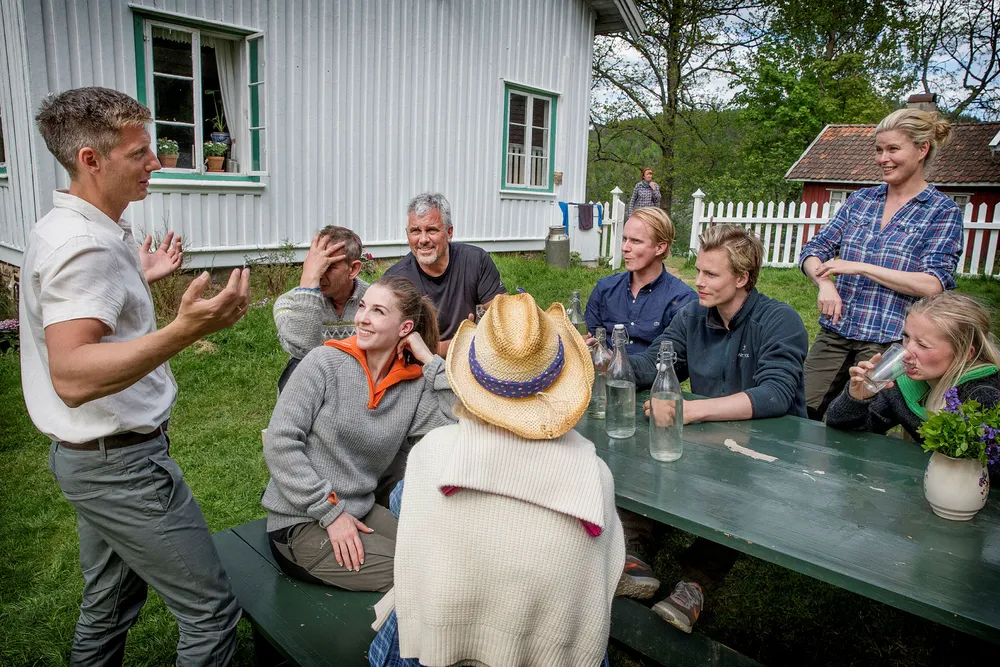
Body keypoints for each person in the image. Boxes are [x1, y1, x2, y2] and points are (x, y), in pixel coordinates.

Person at [20, 87, 246, 664]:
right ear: (91, 160)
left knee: (110, 602)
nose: (157, 163)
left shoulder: (76, 229)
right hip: (119, 465)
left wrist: (133, 278)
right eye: (141, 153)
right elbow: (71, 373)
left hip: (90, 455)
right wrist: (186, 329)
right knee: (211, 613)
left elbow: (81, 316)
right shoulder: (85, 245)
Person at [368, 292, 624, 667]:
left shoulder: (435, 452)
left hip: (439, 638)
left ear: (472, 377)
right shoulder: (593, 473)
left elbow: (402, 506)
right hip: (549, 650)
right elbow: (603, 570)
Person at [620, 224, 808, 634]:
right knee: (644, 453)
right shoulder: (693, 316)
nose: (698, 283)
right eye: (698, 271)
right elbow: (654, 363)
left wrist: (693, 410)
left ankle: (695, 585)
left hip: (770, 449)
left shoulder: (780, 320)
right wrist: (605, 357)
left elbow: (776, 394)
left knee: (735, 498)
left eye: (711, 274)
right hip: (710, 436)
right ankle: (634, 557)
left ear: (742, 278)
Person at [262, 275, 456, 593]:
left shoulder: (414, 385)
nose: (362, 318)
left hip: (359, 510)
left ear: (405, 328)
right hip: (299, 522)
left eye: (378, 311)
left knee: (445, 555)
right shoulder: (323, 363)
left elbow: (454, 433)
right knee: (420, 575)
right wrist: (330, 513)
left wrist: (432, 362)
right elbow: (280, 443)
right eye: (363, 306)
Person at [798, 108, 964, 421]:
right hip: (836, 332)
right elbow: (812, 250)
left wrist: (860, 267)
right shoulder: (861, 201)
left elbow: (933, 284)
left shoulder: (941, 212)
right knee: (800, 408)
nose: (882, 159)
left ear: (921, 149)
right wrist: (824, 283)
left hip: (886, 343)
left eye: (892, 149)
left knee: (859, 421)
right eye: (878, 150)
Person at [826, 292, 1000, 476]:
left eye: (923, 345)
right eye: (906, 337)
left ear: (966, 353)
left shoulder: (986, 396)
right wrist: (857, 398)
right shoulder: (904, 382)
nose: (907, 352)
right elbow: (842, 432)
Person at [383, 193, 507, 356]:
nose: (423, 239)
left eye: (431, 230)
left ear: (449, 233)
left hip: (470, 361)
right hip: (418, 369)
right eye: (415, 231)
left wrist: (480, 337)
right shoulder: (394, 280)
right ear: (407, 235)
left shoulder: (475, 260)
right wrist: (462, 343)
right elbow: (395, 346)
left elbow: (505, 316)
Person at [585, 206, 696, 354]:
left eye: (635, 241)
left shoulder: (682, 299)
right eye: (625, 239)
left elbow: (678, 361)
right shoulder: (605, 289)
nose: (625, 248)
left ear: (660, 248)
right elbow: (589, 338)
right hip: (603, 375)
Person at [273, 225, 369, 391]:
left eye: (329, 267)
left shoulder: (374, 299)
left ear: (353, 269)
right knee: (295, 367)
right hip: (312, 379)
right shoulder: (288, 302)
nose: (318, 274)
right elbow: (301, 349)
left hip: (361, 378)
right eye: (315, 265)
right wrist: (308, 286)